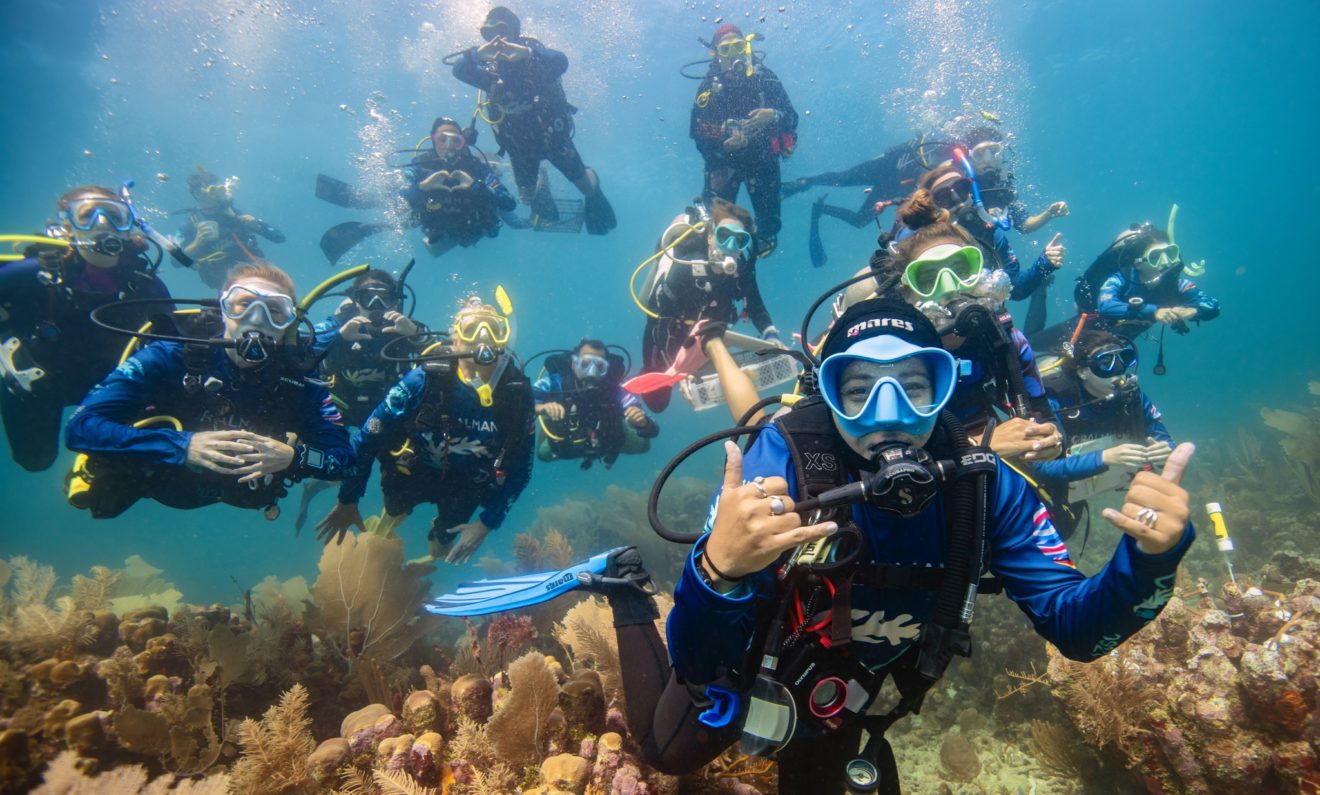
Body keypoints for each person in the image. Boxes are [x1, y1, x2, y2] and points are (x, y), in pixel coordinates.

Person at [431, 299, 1198, 794]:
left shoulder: (983, 486)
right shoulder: (783, 464)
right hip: (760, 652)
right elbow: (700, 665)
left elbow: (1077, 627)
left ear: (945, 389)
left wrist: (1147, 563)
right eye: (859, 388)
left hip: (849, 690)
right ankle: (626, 584)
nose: (889, 414)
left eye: (916, 386)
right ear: (825, 393)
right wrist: (717, 570)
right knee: (668, 749)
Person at [64, 262, 352, 518]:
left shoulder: (302, 382)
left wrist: (294, 457)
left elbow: (343, 459)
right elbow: (80, 426)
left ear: (289, 323)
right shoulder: (170, 354)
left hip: (234, 493)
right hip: (162, 477)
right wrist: (182, 445)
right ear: (222, 310)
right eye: (243, 304)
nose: (257, 318)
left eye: (275, 310)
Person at [315, 295, 535, 565]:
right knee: (394, 510)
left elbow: (522, 468)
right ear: (455, 338)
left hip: (465, 484)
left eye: (493, 329)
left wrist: (486, 524)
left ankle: (429, 553)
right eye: (471, 329)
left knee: (442, 547)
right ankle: (388, 524)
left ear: (504, 338)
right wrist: (347, 499)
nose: (482, 337)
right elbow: (367, 438)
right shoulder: (423, 379)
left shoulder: (517, 394)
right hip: (412, 469)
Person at [866, 190, 1063, 464]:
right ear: (906, 292)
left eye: (961, 269)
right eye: (927, 277)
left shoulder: (1005, 339)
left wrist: (1052, 440)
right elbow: (873, 459)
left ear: (984, 276)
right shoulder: (887, 357)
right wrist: (975, 447)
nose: (949, 289)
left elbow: (1043, 416)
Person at [0, 185, 171, 472]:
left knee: (130, 464)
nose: (101, 224)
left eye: (114, 215)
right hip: (35, 384)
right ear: (68, 226)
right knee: (35, 460)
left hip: (106, 385)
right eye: (88, 215)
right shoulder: (31, 273)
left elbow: (171, 343)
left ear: (128, 226)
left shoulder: (145, 285)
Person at [451, 7, 616, 235]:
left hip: (553, 138)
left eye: (501, 30)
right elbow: (458, 70)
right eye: (487, 33)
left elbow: (561, 62)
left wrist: (527, 53)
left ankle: (594, 192)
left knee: (587, 188)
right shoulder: (489, 71)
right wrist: (477, 54)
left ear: (515, 30)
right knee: (527, 197)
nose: (496, 39)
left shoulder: (533, 57)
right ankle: (541, 182)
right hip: (520, 147)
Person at [293, 269, 426, 530]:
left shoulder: (405, 327)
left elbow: (444, 353)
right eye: (367, 297)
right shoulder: (338, 324)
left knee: (401, 494)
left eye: (383, 298)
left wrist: (415, 335)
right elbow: (296, 347)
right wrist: (338, 336)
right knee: (326, 460)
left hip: (388, 412)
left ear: (395, 301)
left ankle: (328, 483)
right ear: (355, 300)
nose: (376, 305)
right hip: (339, 406)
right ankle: (321, 482)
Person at [635, 199, 779, 413]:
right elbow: (663, 325)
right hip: (668, 333)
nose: (730, 246)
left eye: (739, 240)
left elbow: (755, 304)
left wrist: (770, 335)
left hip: (709, 333)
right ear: (710, 236)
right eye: (723, 236)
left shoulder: (742, 270)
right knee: (657, 403)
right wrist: (681, 369)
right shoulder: (686, 267)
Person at [1033, 329, 1175, 540]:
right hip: (1054, 492)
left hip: (1085, 483)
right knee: (1058, 533)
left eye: (1123, 358)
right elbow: (1038, 468)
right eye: (1105, 362)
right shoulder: (1056, 401)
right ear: (1082, 372)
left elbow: (1162, 437)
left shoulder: (1133, 397)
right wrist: (1104, 458)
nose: (1117, 370)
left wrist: (1166, 452)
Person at [690, 23, 798, 255]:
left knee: (769, 228)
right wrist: (722, 141)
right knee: (712, 226)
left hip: (762, 159)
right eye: (726, 49)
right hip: (723, 164)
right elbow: (697, 135)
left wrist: (773, 116)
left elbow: (792, 119)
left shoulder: (765, 79)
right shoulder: (708, 90)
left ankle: (755, 251)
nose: (733, 55)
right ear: (716, 54)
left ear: (747, 48)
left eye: (738, 47)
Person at [912, 163, 1063, 302]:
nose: (956, 197)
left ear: (971, 192)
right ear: (934, 208)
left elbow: (1015, 289)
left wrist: (1045, 263)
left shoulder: (989, 233)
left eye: (961, 188)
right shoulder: (921, 247)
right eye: (944, 197)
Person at [533, 339, 658, 468]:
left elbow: (653, 430)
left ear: (607, 368)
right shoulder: (557, 383)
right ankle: (548, 426)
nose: (592, 371)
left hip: (605, 441)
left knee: (644, 445)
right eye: (585, 364)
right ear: (574, 364)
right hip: (564, 441)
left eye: (599, 366)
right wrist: (541, 407)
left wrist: (643, 423)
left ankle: (623, 427)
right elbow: (526, 399)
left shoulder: (615, 391)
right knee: (543, 455)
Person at [403, 117, 517, 257]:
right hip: (440, 229)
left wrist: (476, 186)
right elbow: (399, 201)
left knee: (515, 222)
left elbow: (509, 203)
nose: (449, 146)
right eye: (443, 140)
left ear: (462, 143)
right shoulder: (420, 167)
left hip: (473, 230)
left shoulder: (476, 168)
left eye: (456, 140)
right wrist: (422, 187)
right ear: (433, 140)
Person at [1087, 223, 1221, 338]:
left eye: (1169, 253)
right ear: (1137, 263)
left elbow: (1212, 305)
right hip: (1083, 335)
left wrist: (1191, 311)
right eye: (1155, 256)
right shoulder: (1122, 279)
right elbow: (1106, 305)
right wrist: (1154, 311)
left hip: (1119, 346)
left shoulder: (1176, 285)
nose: (1166, 261)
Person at [177, 167, 285, 289]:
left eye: (218, 189)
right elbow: (175, 262)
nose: (218, 195)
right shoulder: (191, 224)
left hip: (256, 276)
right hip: (226, 286)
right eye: (212, 190)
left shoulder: (233, 214)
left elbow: (279, 237)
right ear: (197, 194)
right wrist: (197, 243)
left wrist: (258, 227)